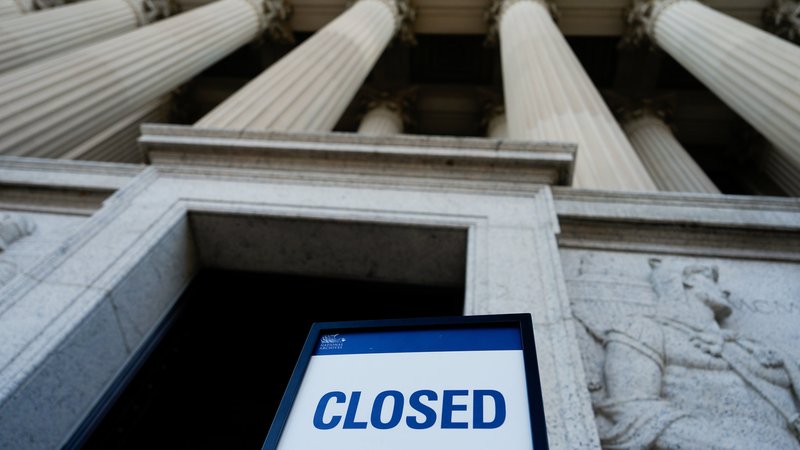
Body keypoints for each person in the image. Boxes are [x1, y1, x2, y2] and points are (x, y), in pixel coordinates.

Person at [596, 259, 800, 450]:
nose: (725, 291)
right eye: (711, 281)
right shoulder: (644, 329)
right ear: (687, 281)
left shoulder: (750, 346)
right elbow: (634, 409)